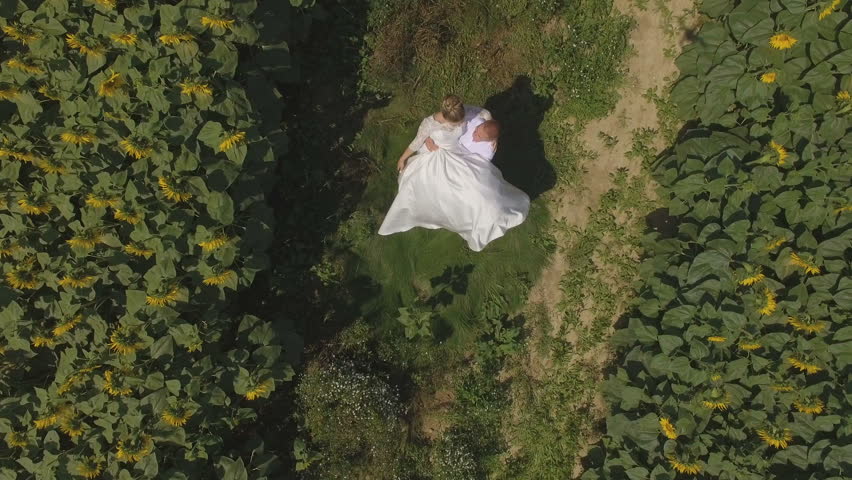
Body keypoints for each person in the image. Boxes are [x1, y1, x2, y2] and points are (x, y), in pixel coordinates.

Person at [377, 95, 530, 251]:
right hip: (436, 155)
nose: (462, 124)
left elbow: (484, 113)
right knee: (440, 191)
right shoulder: (428, 124)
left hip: (457, 155)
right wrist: (403, 158)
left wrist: (493, 135)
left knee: (475, 187)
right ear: (446, 117)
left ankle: (491, 213)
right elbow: (416, 142)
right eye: (457, 123)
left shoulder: (462, 111)